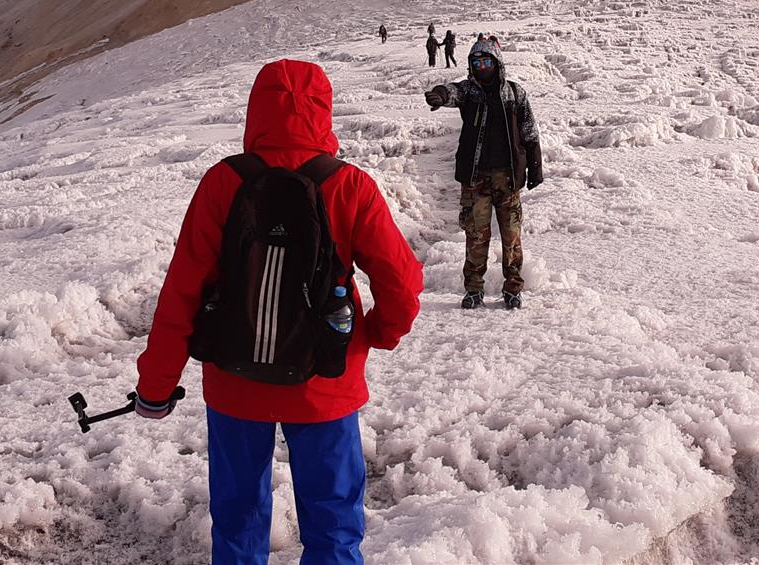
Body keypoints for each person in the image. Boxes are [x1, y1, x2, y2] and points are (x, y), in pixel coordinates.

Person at [136, 59, 422, 565]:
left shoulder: (223, 183)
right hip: (324, 381)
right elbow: (401, 283)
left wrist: (156, 387)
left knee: (238, 521)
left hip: (234, 380)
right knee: (333, 524)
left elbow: (181, 291)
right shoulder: (349, 186)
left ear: (256, 111)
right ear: (324, 112)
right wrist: (376, 333)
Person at [423, 38, 543, 310]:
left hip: (508, 178)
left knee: (511, 236)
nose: (481, 67)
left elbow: (530, 132)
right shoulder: (470, 91)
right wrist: (440, 95)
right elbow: (453, 91)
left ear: (497, 63)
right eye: (476, 63)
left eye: (486, 62)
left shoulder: (515, 93)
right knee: (476, 235)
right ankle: (474, 290)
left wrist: (535, 166)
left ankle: (513, 288)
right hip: (475, 178)